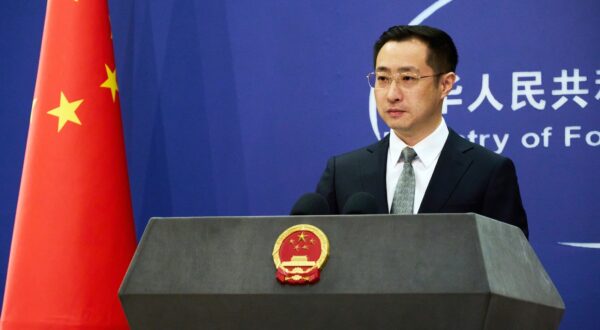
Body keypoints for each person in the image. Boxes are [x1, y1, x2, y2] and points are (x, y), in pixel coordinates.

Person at [316, 25, 528, 238]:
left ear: (446, 84)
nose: (392, 94)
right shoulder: (343, 172)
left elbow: (509, 265)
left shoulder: (488, 172)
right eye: (383, 79)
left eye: (407, 78)